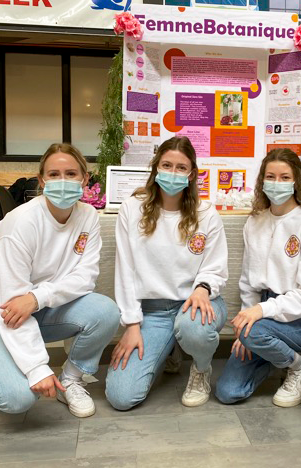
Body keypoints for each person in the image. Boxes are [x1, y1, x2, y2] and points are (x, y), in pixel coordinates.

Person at [0, 143, 120, 417]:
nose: (63, 181)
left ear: (85, 179)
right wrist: (36, 368)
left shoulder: (88, 216)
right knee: (17, 399)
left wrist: (37, 298)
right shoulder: (21, 222)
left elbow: (85, 277)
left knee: (105, 311)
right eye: (54, 174)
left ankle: (70, 380)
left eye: (71, 174)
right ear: (42, 180)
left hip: (36, 306)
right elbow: (10, 304)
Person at [106, 136, 228, 410]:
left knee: (192, 327)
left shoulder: (205, 213)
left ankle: (200, 368)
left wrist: (201, 289)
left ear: (192, 174)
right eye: (166, 165)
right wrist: (132, 324)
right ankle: (171, 349)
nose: (173, 173)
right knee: (121, 397)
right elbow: (125, 270)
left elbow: (216, 267)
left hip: (196, 303)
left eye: (181, 168)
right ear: (155, 168)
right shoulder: (132, 209)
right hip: (154, 312)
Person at [215, 148, 301, 407]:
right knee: (228, 392)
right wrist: (248, 325)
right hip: (263, 314)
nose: (277, 183)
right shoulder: (255, 221)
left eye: (284, 177)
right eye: (271, 176)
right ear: (262, 181)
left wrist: (257, 318)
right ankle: (280, 356)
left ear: (296, 182)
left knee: (253, 332)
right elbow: (248, 281)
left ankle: (300, 368)